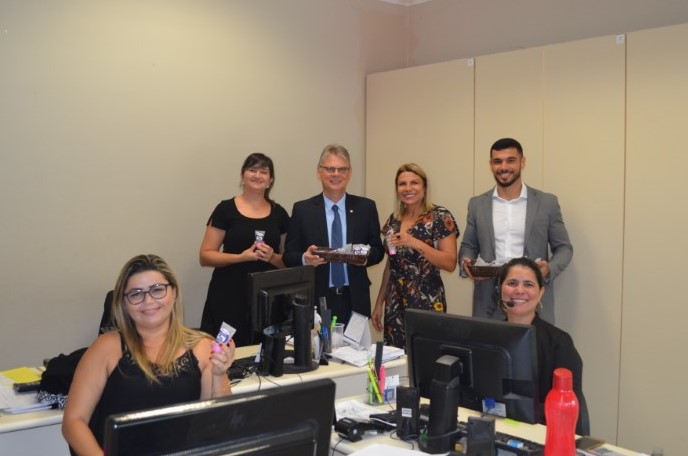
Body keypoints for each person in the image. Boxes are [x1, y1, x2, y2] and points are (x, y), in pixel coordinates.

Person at [62, 254, 236, 455]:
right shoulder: (106, 348)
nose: (148, 301)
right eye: (136, 294)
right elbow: (73, 422)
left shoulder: (202, 347)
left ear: (174, 292)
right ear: (124, 302)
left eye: (157, 290)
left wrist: (219, 374)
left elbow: (218, 424)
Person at [459, 138, 573, 323]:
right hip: (488, 302)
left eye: (510, 160)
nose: (504, 167)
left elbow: (564, 248)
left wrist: (548, 269)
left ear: (523, 162)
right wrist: (466, 263)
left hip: (531, 301)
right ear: (490, 165)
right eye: (497, 161)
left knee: (533, 343)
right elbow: (468, 247)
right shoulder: (477, 204)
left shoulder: (546, 203)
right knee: (488, 343)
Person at [284, 144, 384, 324]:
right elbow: (289, 256)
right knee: (319, 344)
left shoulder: (366, 207)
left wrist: (364, 256)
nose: (336, 174)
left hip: (355, 299)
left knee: (355, 344)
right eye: (330, 168)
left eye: (342, 169)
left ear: (349, 173)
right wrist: (305, 259)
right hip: (317, 300)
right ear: (319, 172)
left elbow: (378, 250)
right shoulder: (302, 210)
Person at [199, 153, 290, 346]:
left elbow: (288, 262)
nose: (257, 175)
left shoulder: (280, 214)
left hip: (267, 299)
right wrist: (241, 257)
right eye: (252, 170)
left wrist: (272, 257)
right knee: (222, 352)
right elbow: (205, 256)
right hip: (228, 296)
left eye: (263, 172)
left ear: (270, 180)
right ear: (242, 176)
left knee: (265, 354)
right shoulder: (225, 209)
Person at [496, 256, 589, 435]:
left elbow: (566, 409)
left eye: (529, 284)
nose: (519, 290)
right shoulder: (489, 336)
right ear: (500, 290)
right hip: (493, 428)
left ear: (540, 293)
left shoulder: (559, 343)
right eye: (512, 283)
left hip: (542, 434)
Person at [371, 163, 459, 348]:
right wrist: (379, 302)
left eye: (414, 183)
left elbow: (450, 263)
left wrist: (416, 243)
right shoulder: (394, 220)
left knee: (425, 354)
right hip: (395, 301)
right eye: (402, 184)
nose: (408, 188)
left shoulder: (440, 216)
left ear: (424, 187)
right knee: (395, 356)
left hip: (426, 299)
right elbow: (391, 264)